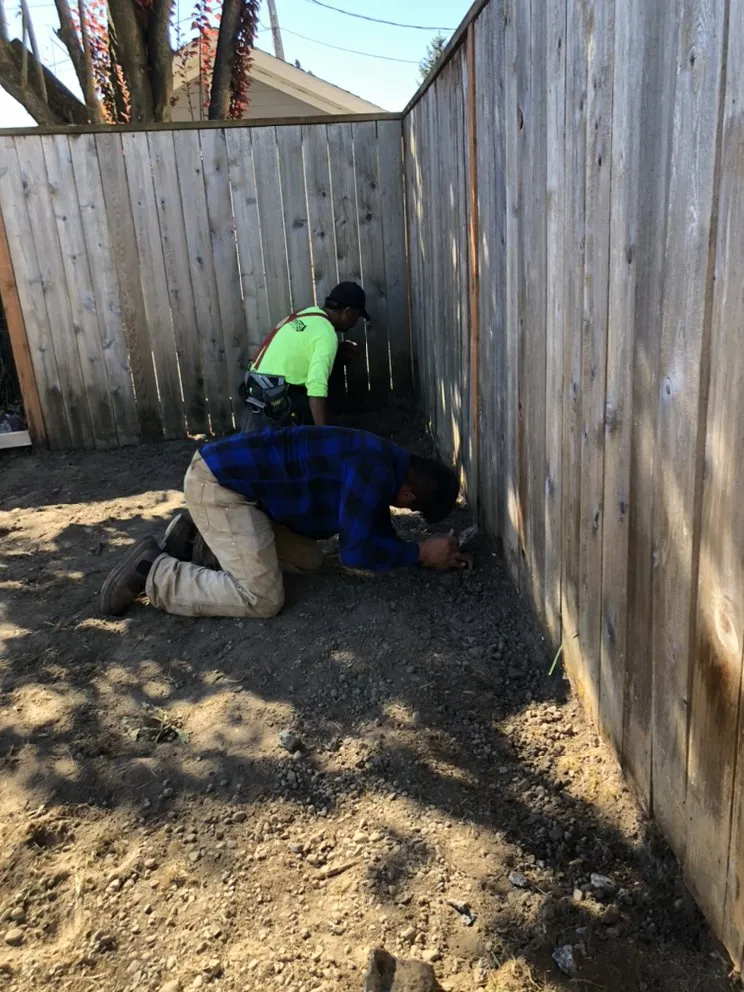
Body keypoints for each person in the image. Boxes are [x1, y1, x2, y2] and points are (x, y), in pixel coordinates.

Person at [101, 426, 468, 620]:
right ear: (407, 495)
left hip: (242, 490)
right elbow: (356, 552)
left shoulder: (385, 459)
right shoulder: (372, 470)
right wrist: (419, 553)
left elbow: (369, 524)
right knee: (262, 599)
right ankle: (154, 572)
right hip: (218, 486)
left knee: (309, 560)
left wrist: (418, 553)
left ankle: (198, 540)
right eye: (413, 510)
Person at [239, 281, 368, 431]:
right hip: (273, 412)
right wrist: (325, 436)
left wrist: (337, 355)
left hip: (254, 399)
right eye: (357, 317)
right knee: (339, 431)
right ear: (348, 312)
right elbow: (316, 390)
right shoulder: (326, 334)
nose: (354, 323)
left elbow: (299, 354)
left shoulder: (306, 314)